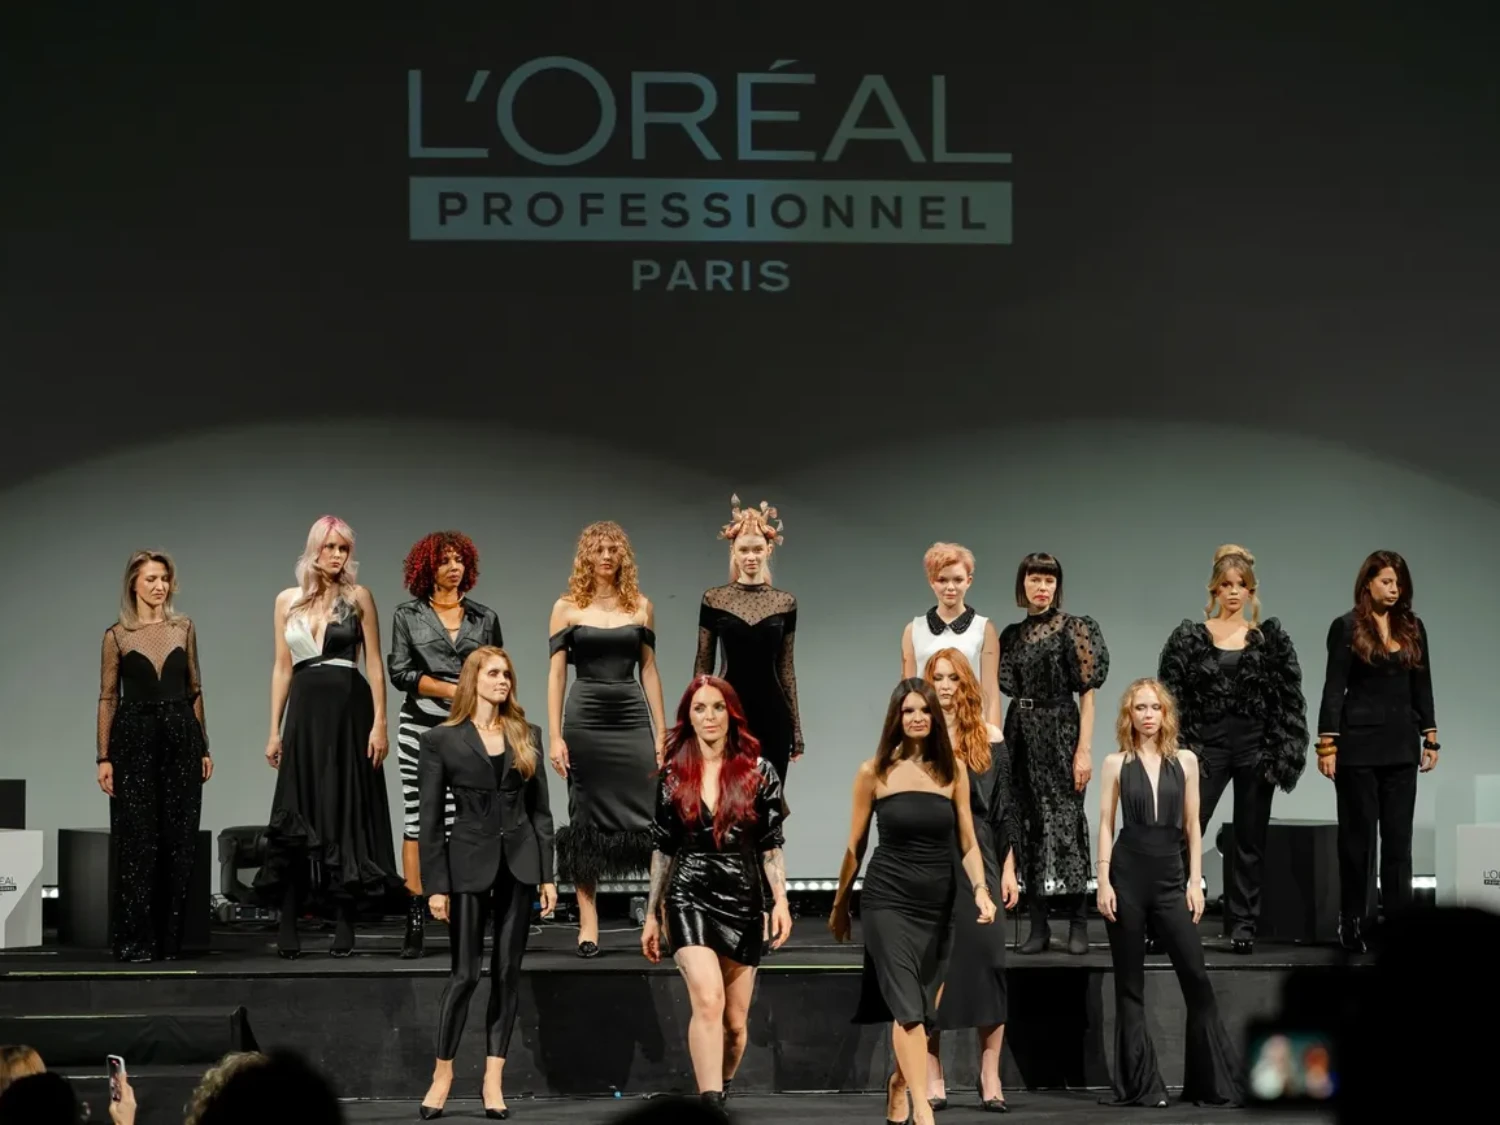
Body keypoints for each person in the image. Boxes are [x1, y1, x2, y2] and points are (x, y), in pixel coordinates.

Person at [830, 678, 997, 1125]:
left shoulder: (953, 770)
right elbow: (854, 847)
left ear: (935, 717)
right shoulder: (874, 772)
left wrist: (981, 890)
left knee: (923, 1009)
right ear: (896, 718)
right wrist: (840, 904)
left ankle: (901, 1083)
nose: (917, 717)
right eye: (908, 711)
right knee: (907, 1008)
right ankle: (923, 1110)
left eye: (924, 710)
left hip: (938, 903)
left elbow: (967, 842)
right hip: (887, 899)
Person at [641, 675, 791, 1113]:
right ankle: (710, 1104)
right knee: (708, 999)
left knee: (735, 1025)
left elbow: (770, 845)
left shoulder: (759, 770)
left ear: (732, 713)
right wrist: (651, 914)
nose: (710, 716)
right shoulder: (673, 775)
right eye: (700, 708)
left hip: (742, 896)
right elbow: (663, 849)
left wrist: (780, 900)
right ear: (688, 717)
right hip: (688, 894)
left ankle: (720, 1086)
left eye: (718, 707)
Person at [254, 515, 403, 958]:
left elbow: (373, 663)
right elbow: (282, 667)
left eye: (344, 549)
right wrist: (273, 730)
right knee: (296, 813)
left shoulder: (359, 598)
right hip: (304, 714)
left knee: (344, 810)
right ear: (314, 549)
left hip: (348, 713)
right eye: (330, 547)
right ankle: (288, 918)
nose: (337, 555)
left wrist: (380, 722)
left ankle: (343, 919)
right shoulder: (287, 601)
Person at [418, 647, 556, 1119]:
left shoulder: (526, 734)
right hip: (467, 862)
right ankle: (442, 1074)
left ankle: (492, 1080)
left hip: (519, 862)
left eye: (507, 675)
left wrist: (547, 875)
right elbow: (430, 820)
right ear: (473, 680)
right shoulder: (441, 740)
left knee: (506, 973)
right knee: (465, 975)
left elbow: (541, 812)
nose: (503, 681)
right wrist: (435, 885)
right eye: (494, 673)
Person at [1096, 678, 1241, 1108]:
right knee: (1130, 985)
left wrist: (1195, 880)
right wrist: (1102, 880)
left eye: (1154, 707)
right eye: (1140, 707)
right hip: (1126, 875)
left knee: (1196, 977)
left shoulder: (1187, 761)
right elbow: (1105, 824)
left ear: (1165, 714)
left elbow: (1193, 825)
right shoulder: (1115, 763)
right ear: (1129, 714)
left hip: (1169, 879)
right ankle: (1143, 1086)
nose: (1147, 715)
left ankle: (1210, 1083)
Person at [1157, 545, 1308, 953]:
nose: (1234, 591)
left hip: (1254, 747)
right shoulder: (1191, 638)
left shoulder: (1268, 640)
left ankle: (1243, 924)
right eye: (1226, 584)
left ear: (1251, 591)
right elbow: (1171, 694)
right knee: (1185, 829)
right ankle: (1170, 918)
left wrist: (1281, 747)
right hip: (1206, 747)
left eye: (1241, 585)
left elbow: (1287, 698)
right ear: (1214, 590)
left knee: (1249, 838)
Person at [547, 521, 667, 957]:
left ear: (623, 557)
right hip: (585, 717)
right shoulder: (566, 607)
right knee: (584, 821)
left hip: (630, 715)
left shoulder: (642, 606)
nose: (606, 557)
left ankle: (657, 915)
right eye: (598, 550)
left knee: (652, 814)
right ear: (586, 556)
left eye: (613, 550)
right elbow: (557, 675)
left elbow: (648, 669)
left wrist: (662, 731)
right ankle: (588, 921)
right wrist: (555, 735)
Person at [388, 530, 505, 959]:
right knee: (419, 816)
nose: (453, 567)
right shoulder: (408, 615)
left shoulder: (484, 617)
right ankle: (416, 914)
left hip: (471, 727)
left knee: (468, 818)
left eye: (459, 560)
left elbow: (496, 669)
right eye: (444, 561)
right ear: (427, 568)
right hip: (420, 725)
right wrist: (451, 689)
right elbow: (400, 672)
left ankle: (467, 911)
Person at [1315, 550, 1438, 953]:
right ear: (1368, 583)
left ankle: (1400, 924)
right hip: (1358, 749)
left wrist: (1430, 735)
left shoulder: (1413, 627)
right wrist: (1327, 745)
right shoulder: (1347, 626)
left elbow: (1422, 684)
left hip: (1401, 748)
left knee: (1399, 843)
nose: (1394, 588)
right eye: (1386, 581)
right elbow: (1334, 687)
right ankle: (1352, 921)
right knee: (1358, 842)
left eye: (1398, 582)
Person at [96, 550, 212, 962]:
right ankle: (135, 940)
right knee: (137, 840)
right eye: (151, 579)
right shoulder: (117, 636)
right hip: (134, 740)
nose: (160, 586)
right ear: (134, 584)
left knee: (178, 839)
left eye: (164, 578)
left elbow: (195, 690)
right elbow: (108, 697)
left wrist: (204, 746)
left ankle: (169, 941)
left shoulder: (184, 628)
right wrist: (103, 757)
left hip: (181, 737)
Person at [921, 650, 1020, 1112]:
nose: (944, 686)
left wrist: (1009, 868)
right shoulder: (916, 737)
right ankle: (933, 1073)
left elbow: (1004, 810)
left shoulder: (990, 737)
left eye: (953, 678)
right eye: (937, 677)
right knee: (932, 966)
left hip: (980, 854)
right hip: (931, 856)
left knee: (988, 961)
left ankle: (989, 1073)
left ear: (966, 684)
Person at [1001, 553, 1109, 955]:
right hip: (1020, 732)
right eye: (1035, 579)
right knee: (1026, 823)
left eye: (1049, 580)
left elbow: (1088, 696)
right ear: (1023, 583)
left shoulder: (1073, 628)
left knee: (1066, 822)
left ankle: (1079, 924)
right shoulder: (1011, 635)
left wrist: (1084, 750)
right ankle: (1038, 926)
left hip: (1061, 730)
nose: (1042, 587)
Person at [693, 495, 804, 789]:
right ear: (733, 551)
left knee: (769, 803)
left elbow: (786, 669)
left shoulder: (785, 603)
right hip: (727, 713)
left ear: (768, 550)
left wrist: (796, 730)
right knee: (726, 800)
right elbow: (703, 667)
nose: (751, 556)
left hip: (773, 716)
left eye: (757, 549)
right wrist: (697, 720)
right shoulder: (715, 599)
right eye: (744, 550)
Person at [902, 543, 1001, 725]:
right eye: (942, 580)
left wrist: (995, 736)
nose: (950, 587)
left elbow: (990, 692)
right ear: (932, 581)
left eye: (958, 580)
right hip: (928, 728)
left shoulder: (984, 629)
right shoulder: (914, 630)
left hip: (971, 727)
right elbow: (908, 692)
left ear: (968, 581)